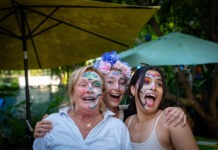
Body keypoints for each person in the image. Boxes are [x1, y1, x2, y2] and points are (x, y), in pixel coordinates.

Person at [34, 51, 187, 138]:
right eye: (111, 81)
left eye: (122, 82)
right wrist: (43, 129)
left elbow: (156, 117)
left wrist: (176, 111)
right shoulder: (73, 116)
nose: (117, 88)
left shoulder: (131, 112)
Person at [33, 65, 132, 149]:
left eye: (96, 85)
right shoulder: (50, 124)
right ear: (72, 93)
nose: (90, 89)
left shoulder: (119, 128)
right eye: (83, 84)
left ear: (102, 94)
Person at [125, 65, 198, 150]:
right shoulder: (128, 122)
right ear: (133, 89)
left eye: (159, 84)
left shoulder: (173, 121)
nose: (153, 87)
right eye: (147, 82)